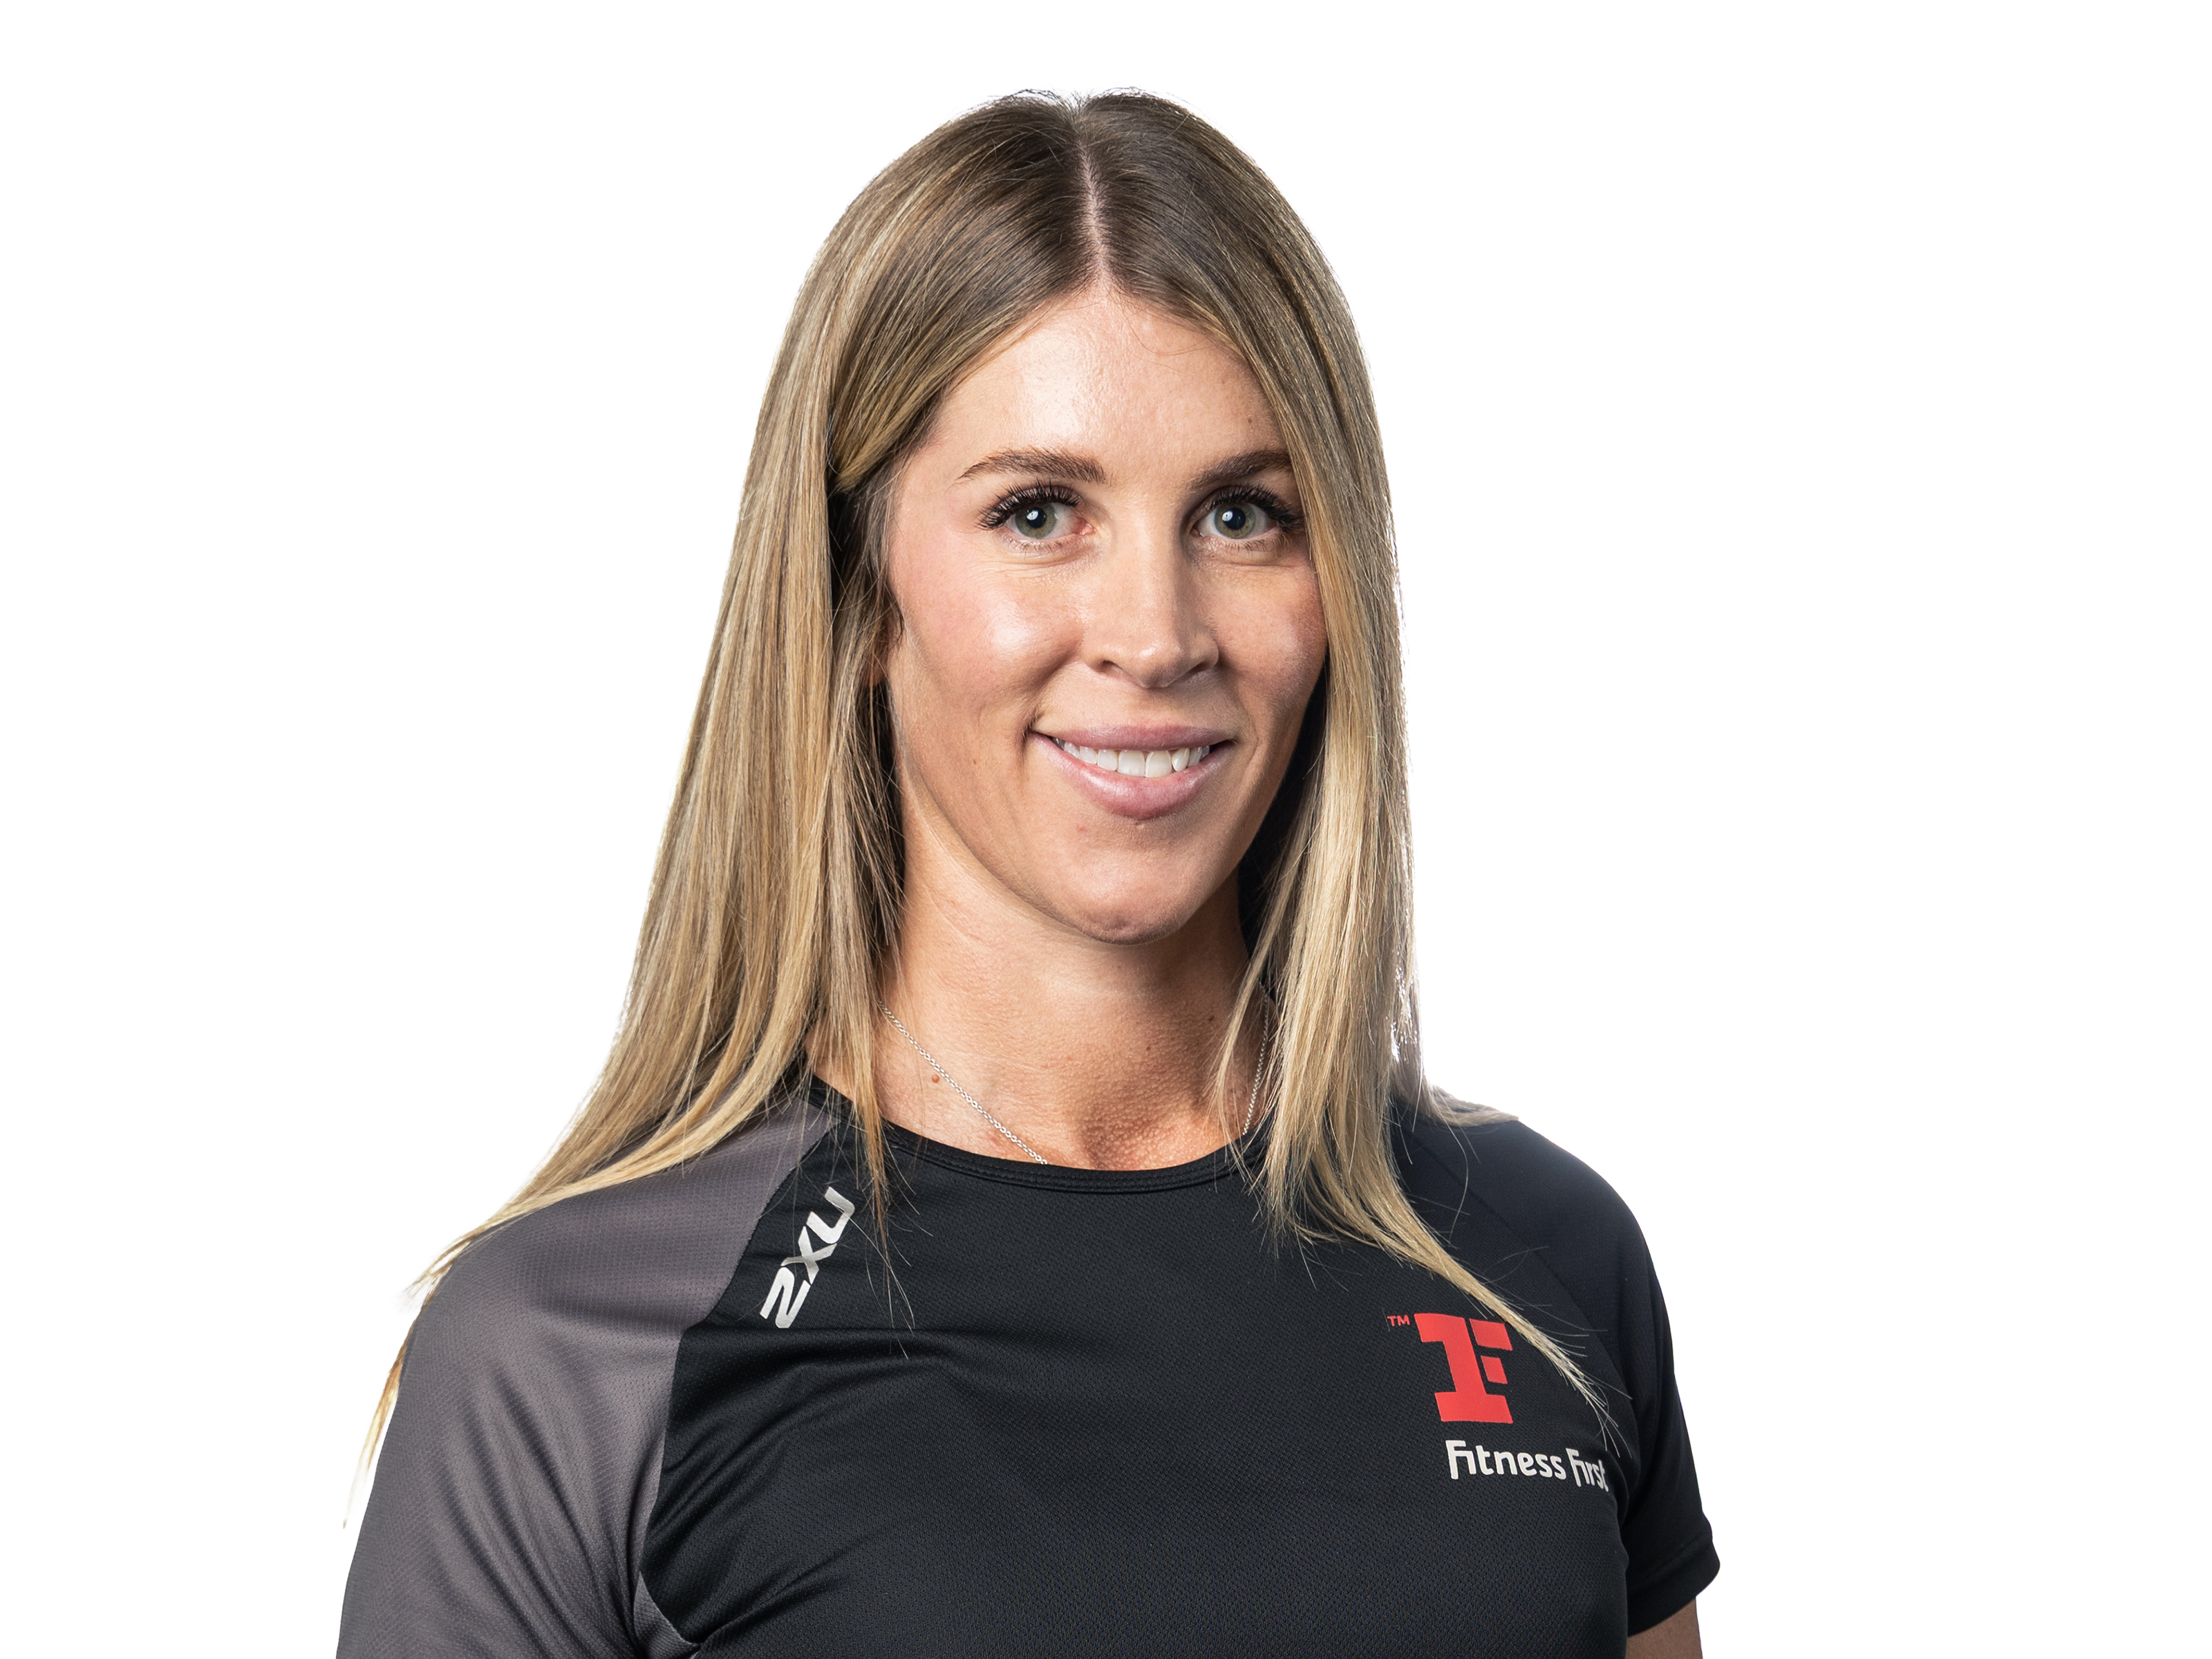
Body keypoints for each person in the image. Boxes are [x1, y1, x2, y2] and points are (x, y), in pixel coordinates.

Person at [339, 90, 1717, 1658]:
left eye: (1242, 515)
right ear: (859, 595)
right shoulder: (575, 1342)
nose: (1156, 633)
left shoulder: (1544, 1253)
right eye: (1040, 513)